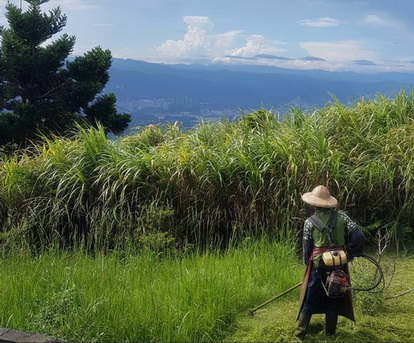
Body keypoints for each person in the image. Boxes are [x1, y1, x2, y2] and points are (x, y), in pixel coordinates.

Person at [295, 185, 364, 340]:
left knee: (310, 296)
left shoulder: (309, 222)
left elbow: (307, 248)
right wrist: (350, 254)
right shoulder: (343, 217)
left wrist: (308, 264)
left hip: (318, 264)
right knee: (335, 292)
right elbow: (358, 236)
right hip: (338, 263)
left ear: (313, 204)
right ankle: (330, 334)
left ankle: (300, 334)